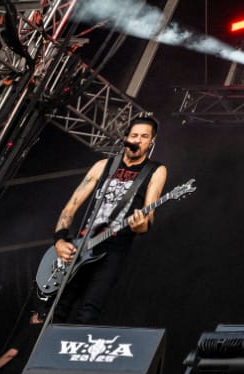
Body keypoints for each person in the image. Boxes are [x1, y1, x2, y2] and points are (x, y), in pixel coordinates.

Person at [48, 118, 168, 324]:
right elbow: (70, 207)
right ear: (126, 138)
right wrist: (59, 240)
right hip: (81, 245)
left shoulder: (155, 170)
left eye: (144, 137)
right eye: (134, 135)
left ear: (151, 142)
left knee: (89, 310)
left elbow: (149, 216)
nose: (138, 140)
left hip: (114, 248)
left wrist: (141, 225)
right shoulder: (103, 166)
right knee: (57, 308)